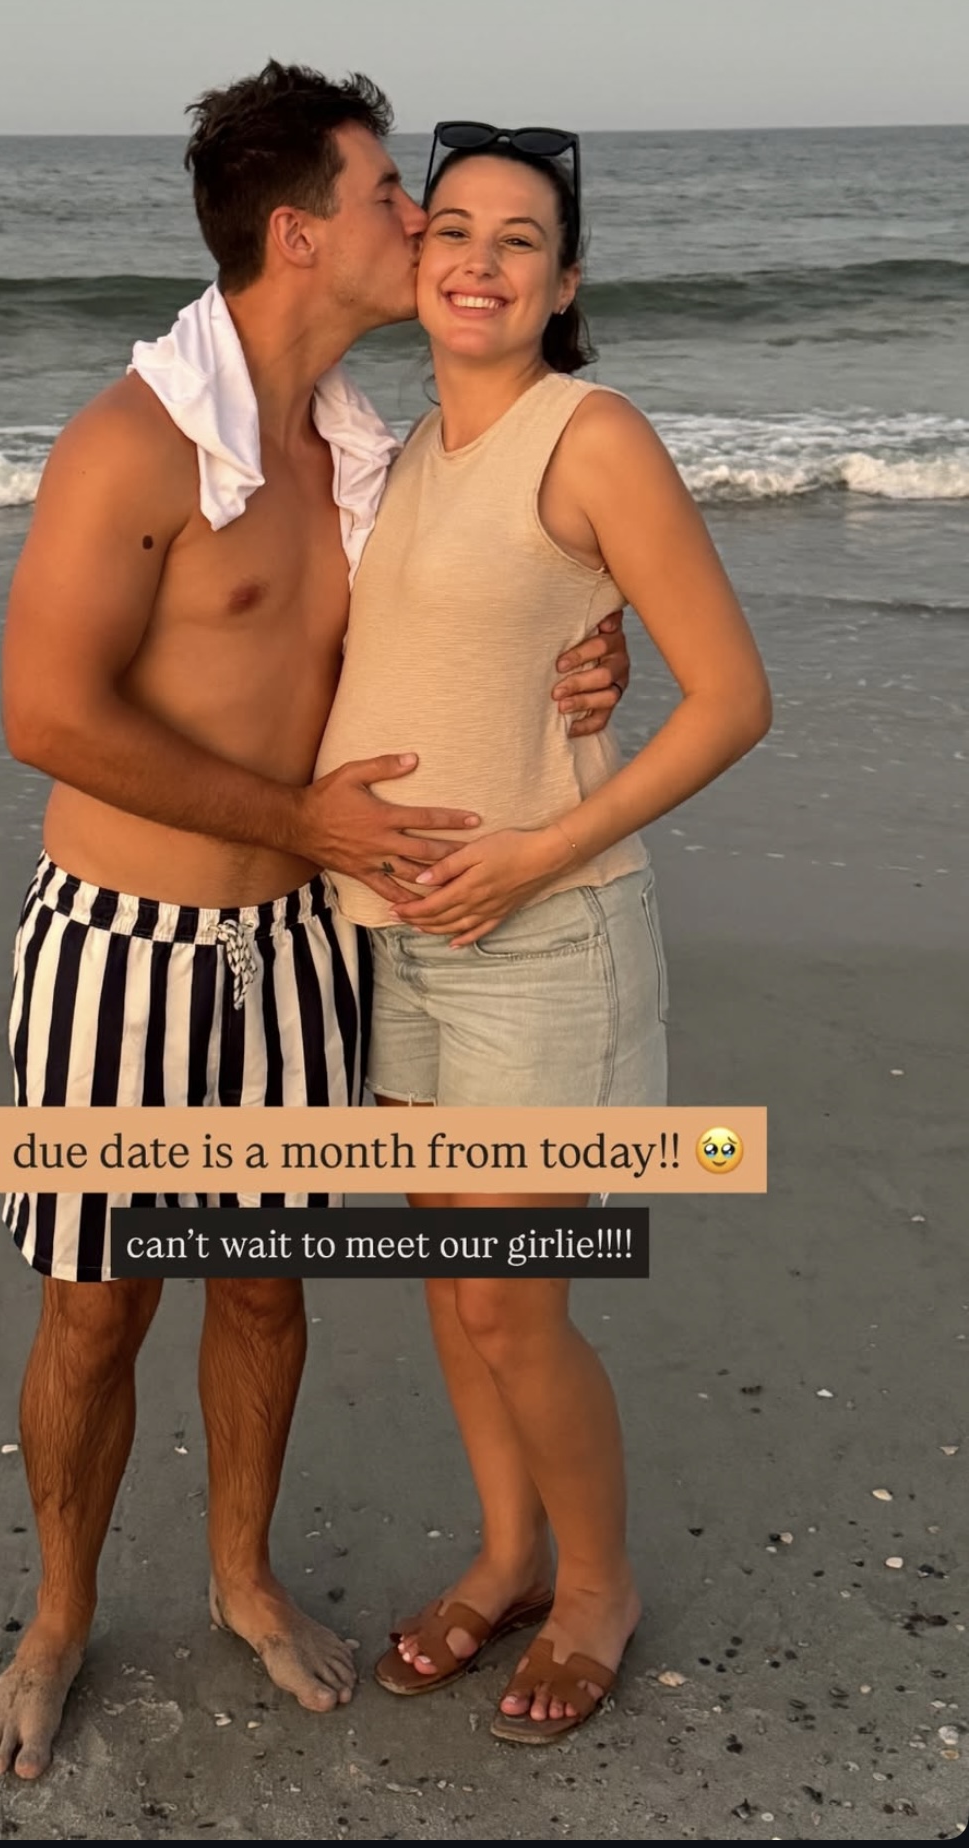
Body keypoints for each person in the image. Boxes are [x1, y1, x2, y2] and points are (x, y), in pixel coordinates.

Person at [0, 66, 633, 1780]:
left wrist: (593, 645)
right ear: (299, 234)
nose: (421, 223)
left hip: (299, 954)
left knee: (264, 1292)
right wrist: (303, 821)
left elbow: (472, 595)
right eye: (391, 196)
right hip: (121, 950)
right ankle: (57, 1619)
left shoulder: (358, 448)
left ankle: (245, 1582)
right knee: (97, 1307)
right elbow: (45, 713)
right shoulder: (133, 443)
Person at [313, 124, 772, 1743]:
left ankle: (598, 1589)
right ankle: (508, 1555)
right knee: (454, 1281)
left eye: (521, 239)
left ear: (565, 283)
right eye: (452, 227)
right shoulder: (394, 457)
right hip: (393, 940)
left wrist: (535, 855)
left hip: (547, 937)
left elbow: (735, 699)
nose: (480, 260)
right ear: (413, 257)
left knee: (516, 1297)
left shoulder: (593, 436)